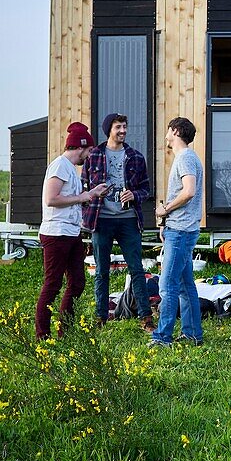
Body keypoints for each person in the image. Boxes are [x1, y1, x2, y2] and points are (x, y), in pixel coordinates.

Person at [36, 122, 109, 340]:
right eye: (88, 151)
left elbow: (71, 199)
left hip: (71, 233)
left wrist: (92, 193)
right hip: (56, 234)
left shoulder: (70, 170)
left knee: (77, 282)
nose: (88, 156)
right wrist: (82, 197)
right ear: (80, 147)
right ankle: (42, 334)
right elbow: (51, 199)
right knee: (53, 284)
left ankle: (64, 331)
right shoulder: (59, 166)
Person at [81, 113, 154, 331]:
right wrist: (92, 201)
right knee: (101, 270)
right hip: (101, 220)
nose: (123, 131)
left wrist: (134, 195)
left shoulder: (136, 157)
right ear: (109, 130)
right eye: (118, 127)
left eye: (124, 126)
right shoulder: (93, 155)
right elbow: (84, 189)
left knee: (136, 269)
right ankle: (100, 318)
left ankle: (146, 318)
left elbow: (146, 189)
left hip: (128, 220)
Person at [150, 118, 204, 347]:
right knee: (184, 285)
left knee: (167, 285)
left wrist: (166, 209)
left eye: (168, 129)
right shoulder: (187, 158)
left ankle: (163, 337)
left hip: (181, 231)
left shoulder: (185, 158)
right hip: (180, 228)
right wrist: (165, 221)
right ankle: (192, 334)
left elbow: (189, 191)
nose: (166, 134)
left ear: (175, 131)